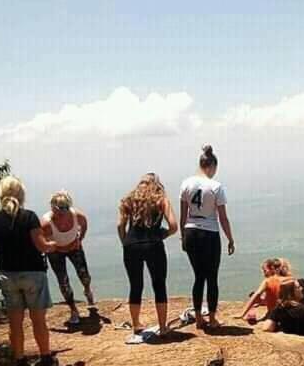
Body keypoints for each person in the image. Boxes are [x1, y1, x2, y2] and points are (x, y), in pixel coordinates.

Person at [0, 176, 61, 366]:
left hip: (6, 273)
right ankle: (46, 359)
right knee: (38, 320)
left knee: (15, 322)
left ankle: (20, 363)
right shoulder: (28, 217)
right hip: (32, 273)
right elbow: (42, 246)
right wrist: (55, 244)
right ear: (21, 194)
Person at [179, 145, 235, 330]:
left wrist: (183, 236)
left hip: (191, 231)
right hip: (209, 233)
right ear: (211, 166)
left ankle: (198, 318)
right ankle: (211, 318)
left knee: (198, 277)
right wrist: (230, 238)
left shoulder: (186, 183)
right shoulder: (216, 186)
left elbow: (183, 215)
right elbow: (223, 217)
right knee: (212, 277)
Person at [117, 173, 178, 343]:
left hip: (131, 245)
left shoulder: (128, 200)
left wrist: (125, 242)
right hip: (153, 244)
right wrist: (162, 234)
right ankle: (163, 326)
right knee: (159, 285)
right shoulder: (161, 200)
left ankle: (136, 325)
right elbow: (174, 226)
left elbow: (120, 225)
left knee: (135, 285)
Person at [41, 190, 95, 325]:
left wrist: (79, 239)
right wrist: (54, 247)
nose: (64, 212)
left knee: (84, 275)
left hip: (74, 247)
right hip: (55, 252)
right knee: (63, 280)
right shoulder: (46, 223)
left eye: (67, 207)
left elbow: (84, 225)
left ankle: (87, 290)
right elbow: (43, 242)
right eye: (60, 208)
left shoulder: (77, 216)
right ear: (52, 207)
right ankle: (73, 310)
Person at [238, 258, 293, 323]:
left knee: (254, 295)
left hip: (274, 314)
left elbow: (257, 295)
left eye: (265, 271)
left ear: (272, 269)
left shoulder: (267, 281)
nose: (264, 274)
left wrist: (242, 313)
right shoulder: (290, 279)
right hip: (288, 313)